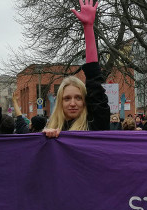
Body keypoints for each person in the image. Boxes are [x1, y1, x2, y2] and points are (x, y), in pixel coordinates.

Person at [43, 0, 110, 138]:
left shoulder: (94, 124)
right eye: (67, 98)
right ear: (60, 102)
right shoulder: (49, 130)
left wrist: (88, 28)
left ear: (85, 100)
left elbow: (94, 82)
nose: (72, 103)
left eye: (78, 98)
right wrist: (45, 139)